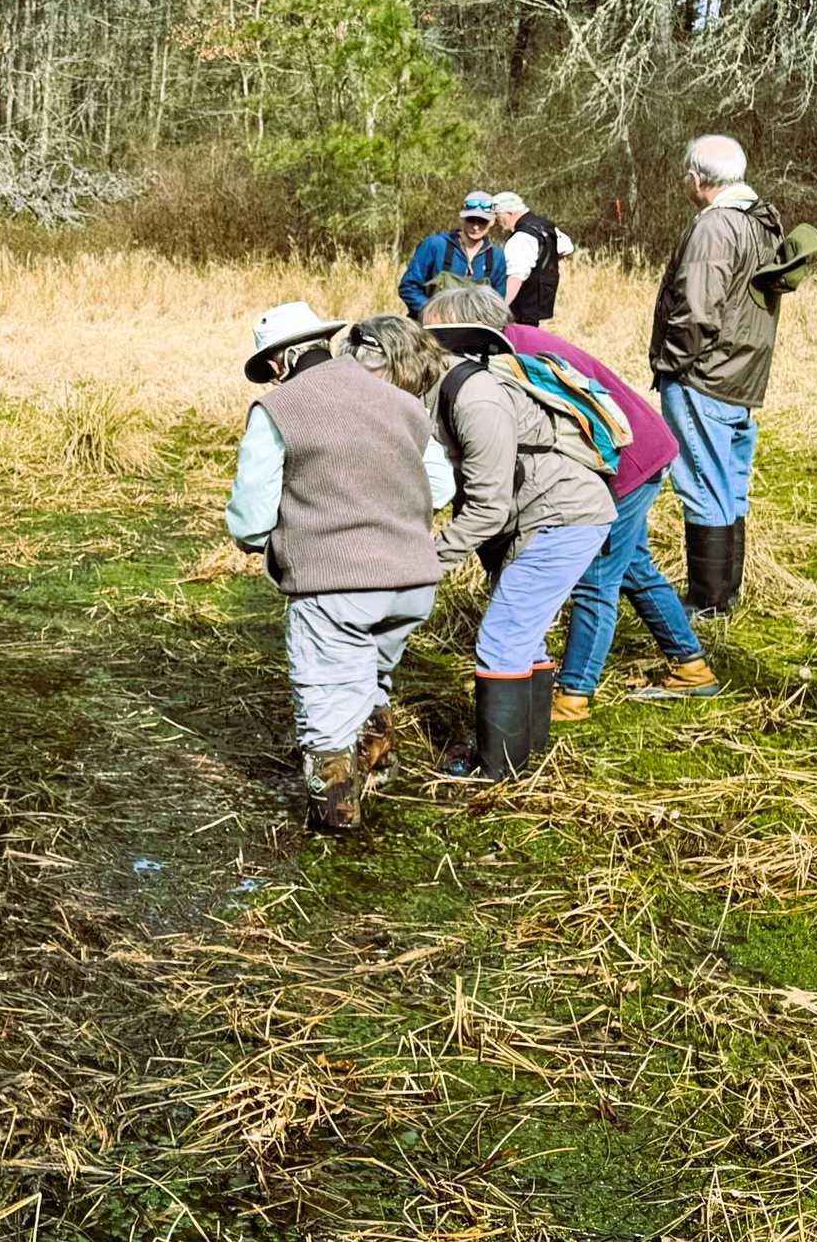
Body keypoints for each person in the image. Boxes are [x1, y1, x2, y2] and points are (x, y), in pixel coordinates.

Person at [427, 283, 718, 718]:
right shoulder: (513, 345)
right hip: (635, 451)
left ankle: (575, 693)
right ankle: (691, 666)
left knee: (597, 577)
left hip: (625, 462)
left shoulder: (513, 357)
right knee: (633, 566)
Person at [227, 305, 452, 832]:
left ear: (281, 361)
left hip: (336, 585)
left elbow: (252, 516)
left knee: (326, 705)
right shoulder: (402, 402)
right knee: (372, 679)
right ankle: (378, 773)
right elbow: (441, 487)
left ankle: (336, 828)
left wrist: (263, 542)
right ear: (324, 343)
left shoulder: (279, 407)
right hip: (413, 581)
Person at [419, 285, 616, 776]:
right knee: (522, 636)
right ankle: (525, 753)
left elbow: (486, 509)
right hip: (551, 517)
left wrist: (427, 561)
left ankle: (499, 769)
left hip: (562, 518)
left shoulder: (477, 398)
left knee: (502, 639)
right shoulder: (459, 390)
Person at [649, 135, 785, 618]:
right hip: (741, 376)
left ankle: (707, 601)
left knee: (703, 486)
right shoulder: (763, 223)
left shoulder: (716, 227)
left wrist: (672, 365)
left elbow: (698, 311)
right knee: (730, 485)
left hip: (703, 377)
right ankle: (725, 595)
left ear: (697, 178)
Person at [398, 192, 508, 317]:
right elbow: (408, 287)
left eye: (482, 221)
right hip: (432, 326)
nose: (476, 227)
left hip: (475, 330)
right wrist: (431, 311)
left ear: (492, 221)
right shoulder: (434, 245)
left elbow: (498, 301)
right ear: (461, 218)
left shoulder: (496, 256)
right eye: (471, 220)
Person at [493, 192, 574, 327]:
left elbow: (515, 278)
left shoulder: (522, 237)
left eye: (498, 216)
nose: (497, 221)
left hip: (521, 307)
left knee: (517, 343)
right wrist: (543, 264)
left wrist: (498, 310)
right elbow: (567, 247)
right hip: (538, 301)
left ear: (510, 212)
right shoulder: (545, 225)